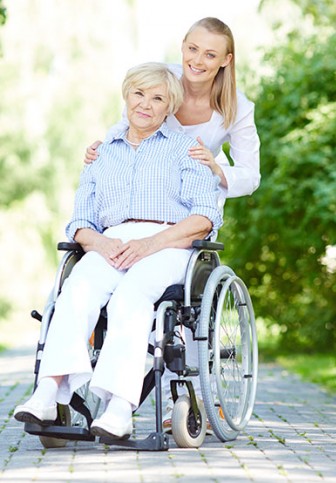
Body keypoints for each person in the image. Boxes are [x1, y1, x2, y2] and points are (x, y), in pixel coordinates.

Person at [14, 62, 223, 440]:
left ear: (168, 107)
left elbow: (205, 218)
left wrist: (150, 244)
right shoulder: (102, 152)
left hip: (168, 242)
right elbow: (79, 221)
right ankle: (48, 391)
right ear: (126, 96)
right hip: (110, 242)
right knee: (75, 290)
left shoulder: (185, 149)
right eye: (139, 94)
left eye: (157, 98)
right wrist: (100, 242)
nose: (145, 104)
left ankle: (119, 407)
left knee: (131, 296)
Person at [84, 17, 260, 432]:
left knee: (180, 304)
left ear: (226, 61)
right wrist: (100, 148)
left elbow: (251, 175)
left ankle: (185, 394)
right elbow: (129, 124)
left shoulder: (236, 107)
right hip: (139, 210)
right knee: (118, 287)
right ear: (183, 46)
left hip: (190, 211)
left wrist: (218, 168)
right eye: (193, 49)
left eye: (210, 54)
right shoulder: (159, 81)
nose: (198, 60)